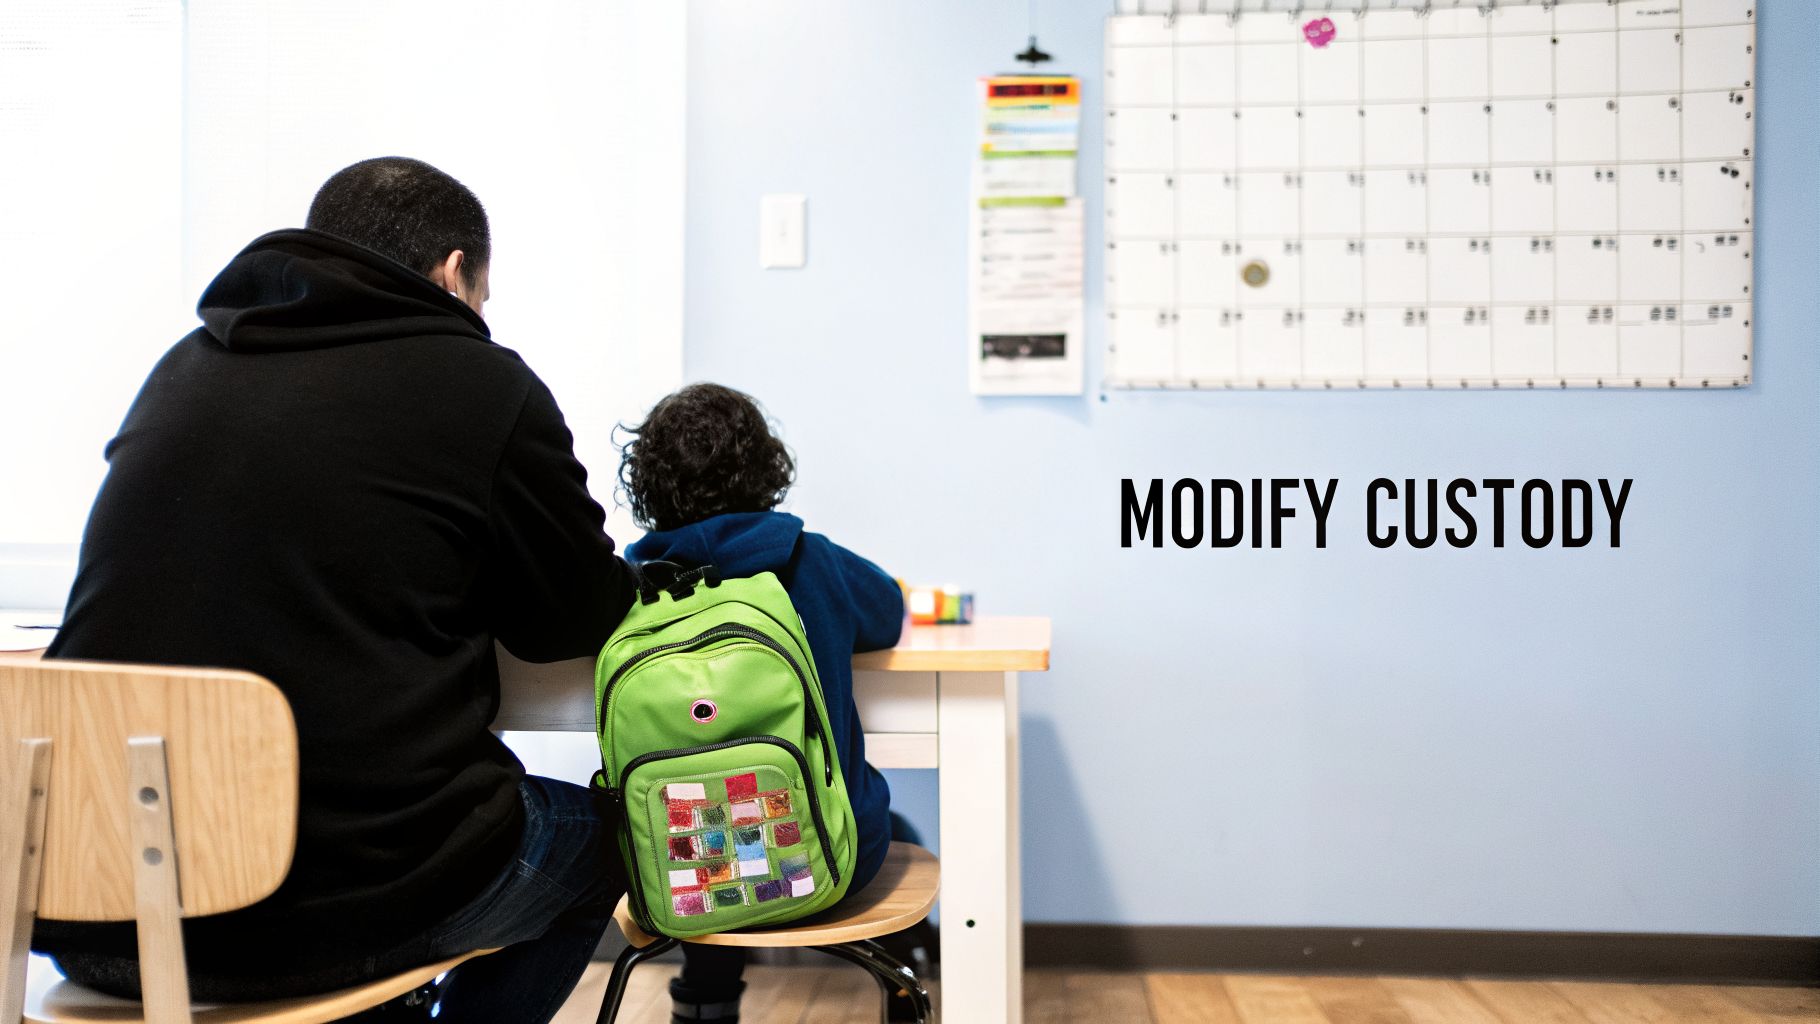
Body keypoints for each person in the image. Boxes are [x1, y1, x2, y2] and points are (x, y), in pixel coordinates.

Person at [33, 157, 637, 1024]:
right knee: (610, 840)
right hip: (324, 917)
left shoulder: (186, 365)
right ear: (455, 271)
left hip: (97, 908)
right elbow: (568, 617)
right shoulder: (482, 383)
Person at [618, 382, 923, 1024]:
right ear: (767, 469)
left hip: (688, 883)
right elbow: (889, 611)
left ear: (646, 482)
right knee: (898, 832)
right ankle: (901, 993)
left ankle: (705, 1002)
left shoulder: (635, 586)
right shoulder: (810, 559)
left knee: (708, 814)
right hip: (831, 864)